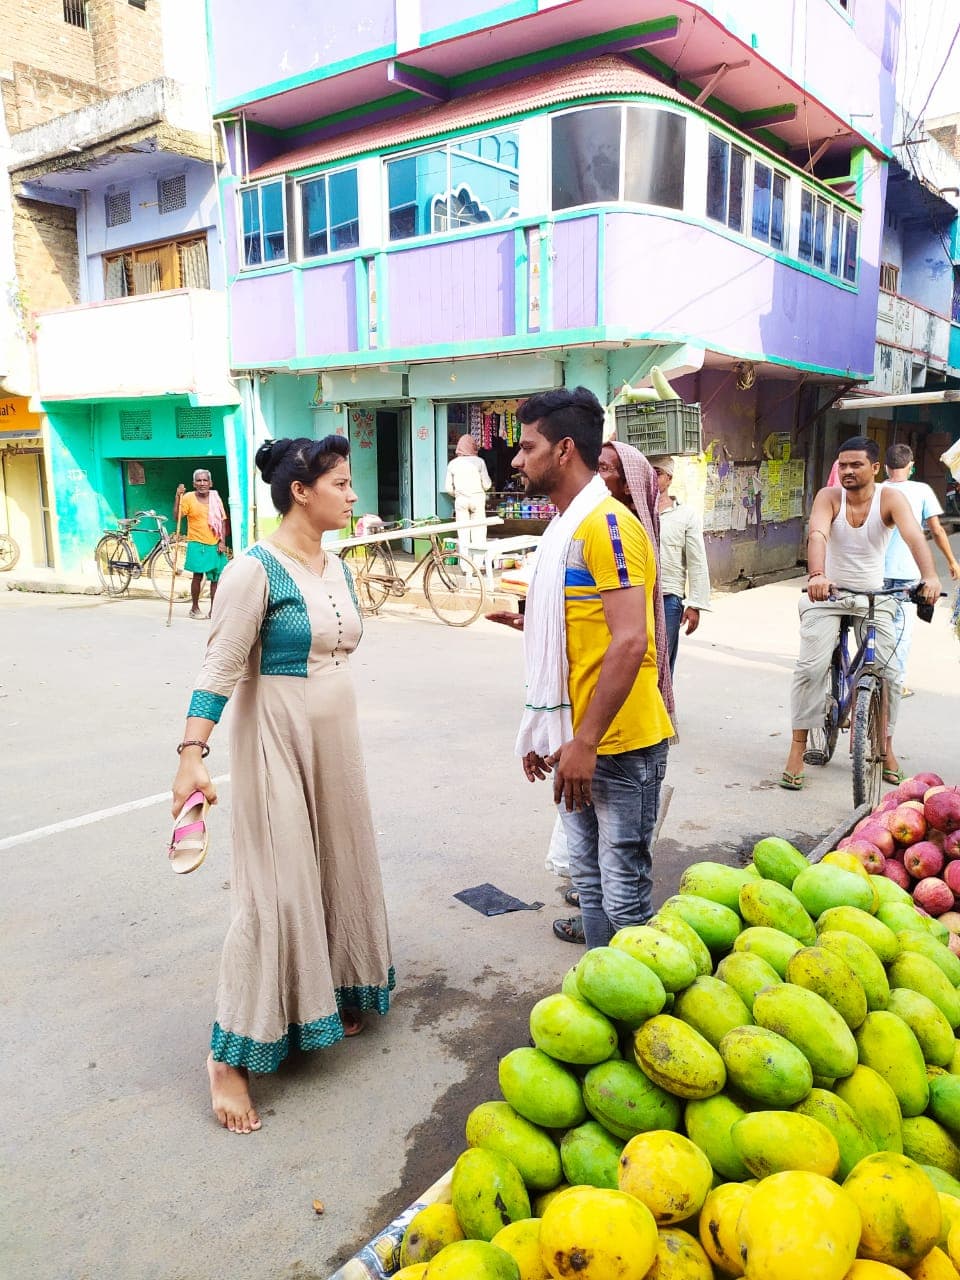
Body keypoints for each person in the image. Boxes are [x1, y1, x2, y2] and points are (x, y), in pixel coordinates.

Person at [171, 435, 394, 1133]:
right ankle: (227, 1057)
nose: (354, 495)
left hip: (337, 741)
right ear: (302, 490)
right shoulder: (251, 571)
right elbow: (219, 668)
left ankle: (320, 995)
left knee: (336, 866)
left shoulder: (334, 565)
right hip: (277, 739)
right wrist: (190, 754)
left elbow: (339, 645)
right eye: (342, 483)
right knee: (274, 888)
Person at [487, 387, 674, 950]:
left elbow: (630, 641)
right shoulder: (566, 528)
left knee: (622, 894)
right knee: (589, 884)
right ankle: (601, 994)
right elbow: (588, 627)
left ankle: (639, 1022)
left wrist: (585, 742)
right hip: (578, 740)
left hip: (617, 743)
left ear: (565, 449)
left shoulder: (605, 525)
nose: (517, 460)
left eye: (529, 446)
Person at [780, 435, 941, 791]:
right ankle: (797, 748)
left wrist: (929, 575)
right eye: (843, 465)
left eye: (856, 464)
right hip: (828, 594)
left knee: (890, 673)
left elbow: (915, 536)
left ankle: (885, 746)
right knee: (810, 668)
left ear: (875, 468)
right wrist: (817, 575)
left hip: (874, 595)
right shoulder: (829, 497)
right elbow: (818, 534)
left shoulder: (891, 498)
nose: (848, 471)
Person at [882, 443, 960, 696]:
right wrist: (951, 561)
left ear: (884, 467)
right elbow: (936, 530)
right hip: (907, 572)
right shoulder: (921, 490)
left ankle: (872, 675)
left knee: (874, 622)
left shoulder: (875, 490)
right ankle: (896, 682)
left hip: (872, 571)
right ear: (911, 467)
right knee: (900, 627)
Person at [648, 455, 711, 675]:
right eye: (647, 471)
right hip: (637, 596)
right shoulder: (634, 510)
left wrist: (694, 604)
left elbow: (696, 561)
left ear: (669, 478)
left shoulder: (685, 515)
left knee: (661, 665)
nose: (651, 477)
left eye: (656, 473)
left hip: (669, 598)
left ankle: (664, 708)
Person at [174, 470, 230, 619]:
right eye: (198, 481)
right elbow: (177, 517)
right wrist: (177, 496)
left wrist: (222, 541)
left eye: (205, 480)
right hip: (197, 542)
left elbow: (222, 521)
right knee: (197, 576)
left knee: (216, 579)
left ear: (210, 483)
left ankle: (214, 610)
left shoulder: (215, 498)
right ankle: (194, 608)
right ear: (194, 484)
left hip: (215, 543)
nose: (202, 483)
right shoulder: (188, 498)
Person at [444, 434, 493, 562]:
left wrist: (459, 494)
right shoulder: (479, 462)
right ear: (473, 447)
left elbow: (448, 488)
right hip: (477, 499)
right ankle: (477, 564)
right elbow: (487, 485)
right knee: (479, 533)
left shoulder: (452, 464)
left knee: (463, 533)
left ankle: (465, 566)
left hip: (461, 500)